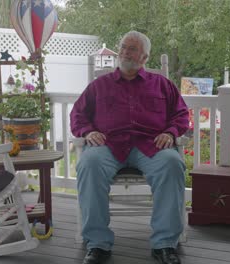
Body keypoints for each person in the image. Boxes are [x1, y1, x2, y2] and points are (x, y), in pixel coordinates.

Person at [70, 30, 189, 264]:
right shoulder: (99, 86)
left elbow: (181, 115)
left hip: (151, 145)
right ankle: (98, 244)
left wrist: (170, 132)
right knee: (89, 163)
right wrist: (88, 131)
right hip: (109, 144)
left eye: (132, 49)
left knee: (172, 163)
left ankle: (164, 244)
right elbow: (78, 115)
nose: (125, 52)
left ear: (144, 57)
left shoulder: (162, 85)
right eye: (123, 46)